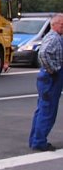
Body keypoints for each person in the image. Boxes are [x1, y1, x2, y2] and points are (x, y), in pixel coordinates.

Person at [28, 13, 63, 151]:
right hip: (51, 77)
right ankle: (39, 142)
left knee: (42, 109)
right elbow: (43, 54)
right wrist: (52, 69)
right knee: (48, 110)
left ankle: (35, 140)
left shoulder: (55, 37)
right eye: (62, 24)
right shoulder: (53, 38)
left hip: (48, 76)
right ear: (54, 25)